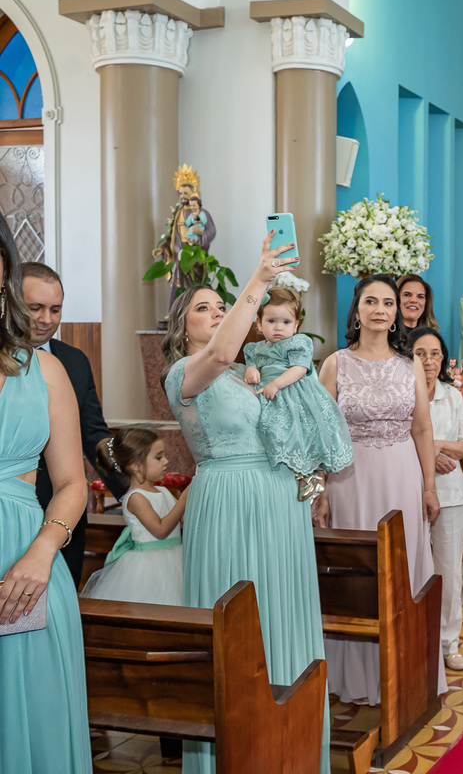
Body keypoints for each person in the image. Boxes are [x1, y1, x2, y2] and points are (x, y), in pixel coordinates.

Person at [161, 234, 330, 774]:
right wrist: (257, 282)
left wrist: (310, 481)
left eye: (220, 305)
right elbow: (220, 352)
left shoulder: (250, 373)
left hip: (278, 501)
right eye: (203, 308)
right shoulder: (187, 375)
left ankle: (290, 749)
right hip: (229, 501)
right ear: (180, 326)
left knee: (284, 607)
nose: (215, 313)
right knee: (240, 624)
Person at [315, 273, 445, 704]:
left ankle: (408, 669)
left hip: (400, 475)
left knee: (404, 565)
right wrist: (318, 490)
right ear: (357, 310)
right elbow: (317, 432)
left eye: (387, 303)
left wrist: (429, 487)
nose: (379, 310)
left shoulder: (408, 365)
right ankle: (353, 675)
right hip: (348, 478)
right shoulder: (335, 363)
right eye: (370, 302)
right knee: (354, 570)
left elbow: (422, 428)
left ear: (396, 314)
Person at [0, 222, 91, 772]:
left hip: (28, 563)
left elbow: (72, 483)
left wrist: (40, 553)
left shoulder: (46, 368)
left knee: (33, 715)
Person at [22, 261, 126, 586]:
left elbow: (95, 435)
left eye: (56, 309)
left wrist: (131, 492)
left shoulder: (74, 361)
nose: (47, 319)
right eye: (35, 308)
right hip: (13, 508)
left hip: (65, 509)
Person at [410, 327, 463, 672]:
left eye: (435, 354)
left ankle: (448, 643)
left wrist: (433, 445)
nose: (428, 361)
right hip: (407, 492)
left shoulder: (452, 396)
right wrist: (428, 451)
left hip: (449, 494)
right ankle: (415, 640)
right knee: (412, 571)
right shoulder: (400, 393)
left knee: (449, 573)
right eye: (420, 353)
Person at [242, 287, 353, 500]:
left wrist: (276, 384)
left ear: (295, 325)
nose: (278, 328)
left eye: (286, 322)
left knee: (300, 434)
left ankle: (310, 475)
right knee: (273, 432)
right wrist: (251, 369)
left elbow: (299, 369)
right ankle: (282, 470)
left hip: (293, 395)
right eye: (271, 321)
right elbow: (251, 363)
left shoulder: (298, 342)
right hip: (268, 396)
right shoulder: (254, 349)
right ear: (259, 323)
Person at [81, 428, 184, 606]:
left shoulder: (163, 491)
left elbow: (182, 519)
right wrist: (184, 500)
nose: (166, 462)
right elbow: (160, 530)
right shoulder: (136, 497)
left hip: (178, 557)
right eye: (159, 457)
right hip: (150, 567)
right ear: (135, 465)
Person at [396, 273, 438, 348]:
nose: (414, 300)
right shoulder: (385, 336)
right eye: (407, 295)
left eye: (420, 296)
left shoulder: (432, 337)